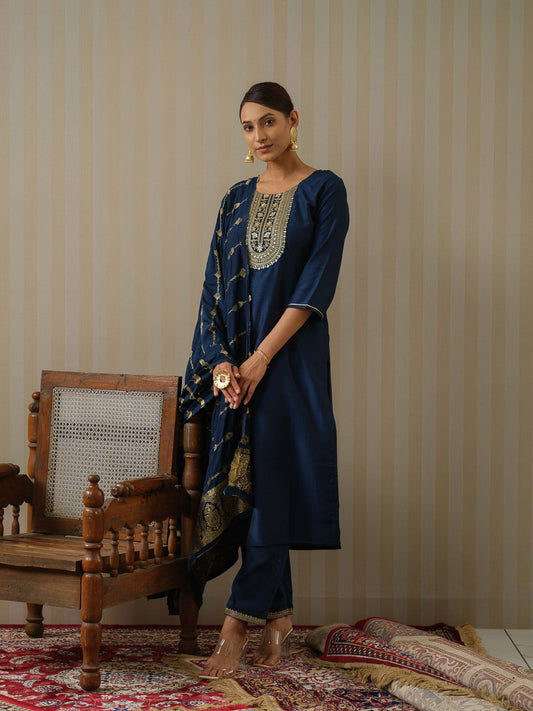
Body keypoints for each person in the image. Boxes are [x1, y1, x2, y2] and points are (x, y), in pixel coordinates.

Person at [179, 81, 349, 678]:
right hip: (235, 369)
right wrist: (222, 363)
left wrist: (260, 360)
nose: (259, 136)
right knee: (255, 487)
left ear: (293, 120)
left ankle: (236, 625)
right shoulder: (234, 199)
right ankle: (278, 616)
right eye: (249, 127)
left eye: (269, 121)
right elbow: (212, 289)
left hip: (291, 362)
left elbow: (315, 286)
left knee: (272, 480)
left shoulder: (325, 190)